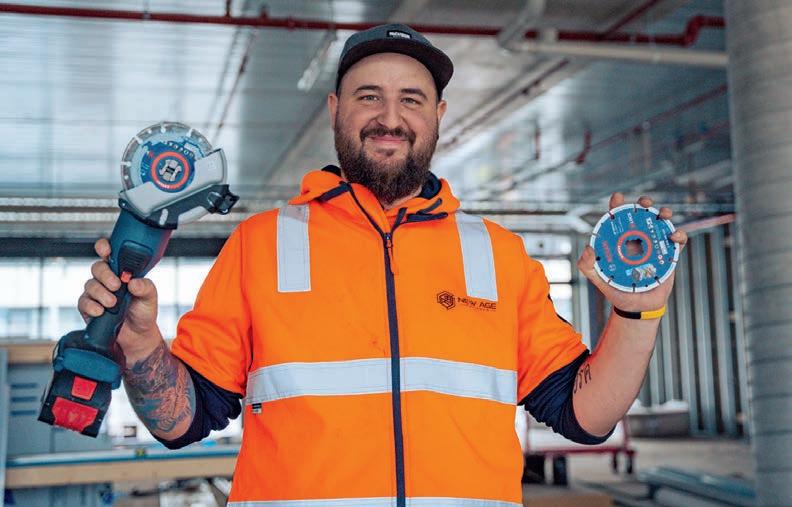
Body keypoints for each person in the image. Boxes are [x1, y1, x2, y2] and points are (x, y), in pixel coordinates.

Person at [79, 24, 688, 507]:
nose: (390, 118)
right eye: (369, 96)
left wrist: (637, 314)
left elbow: (585, 416)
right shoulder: (261, 245)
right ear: (335, 108)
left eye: (411, 100)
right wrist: (140, 344)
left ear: (439, 115)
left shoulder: (497, 254)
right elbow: (181, 421)